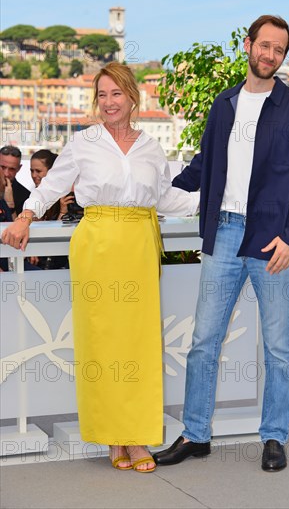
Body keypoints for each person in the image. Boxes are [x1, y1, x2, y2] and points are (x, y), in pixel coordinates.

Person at [1, 62, 199, 473]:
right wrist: (25, 216)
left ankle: (138, 435)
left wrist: (211, 204)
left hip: (140, 245)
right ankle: (112, 436)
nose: (108, 103)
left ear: (132, 98)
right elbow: (53, 184)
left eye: (116, 94)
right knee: (103, 342)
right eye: (102, 95)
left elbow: (166, 198)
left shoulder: (150, 146)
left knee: (139, 345)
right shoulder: (83, 142)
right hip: (97, 242)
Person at [153, 15, 289, 472]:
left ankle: (273, 436)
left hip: (274, 242)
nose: (269, 55)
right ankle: (196, 434)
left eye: (279, 50)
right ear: (247, 45)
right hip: (224, 233)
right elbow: (203, 165)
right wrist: (150, 183)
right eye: (263, 46)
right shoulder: (224, 103)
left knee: (278, 347)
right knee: (204, 340)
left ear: (284, 56)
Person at [0, 145, 30, 216]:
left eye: (12, 169)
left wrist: (10, 205)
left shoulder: (26, 196)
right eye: (3, 167)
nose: (6, 173)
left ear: (19, 168)